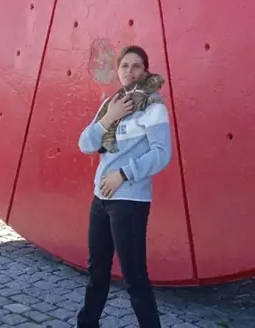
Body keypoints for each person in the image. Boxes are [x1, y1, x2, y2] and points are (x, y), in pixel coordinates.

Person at [76, 45, 172, 328]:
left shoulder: (153, 106)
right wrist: (109, 117)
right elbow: (85, 145)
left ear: (145, 70)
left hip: (130, 202)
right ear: (117, 71)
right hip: (100, 199)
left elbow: (162, 153)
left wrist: (122, 174)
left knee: (134, 278)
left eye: (136, 66)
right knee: (97, 272)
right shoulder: (112, 103)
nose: (130, 71)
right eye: (124, 66)